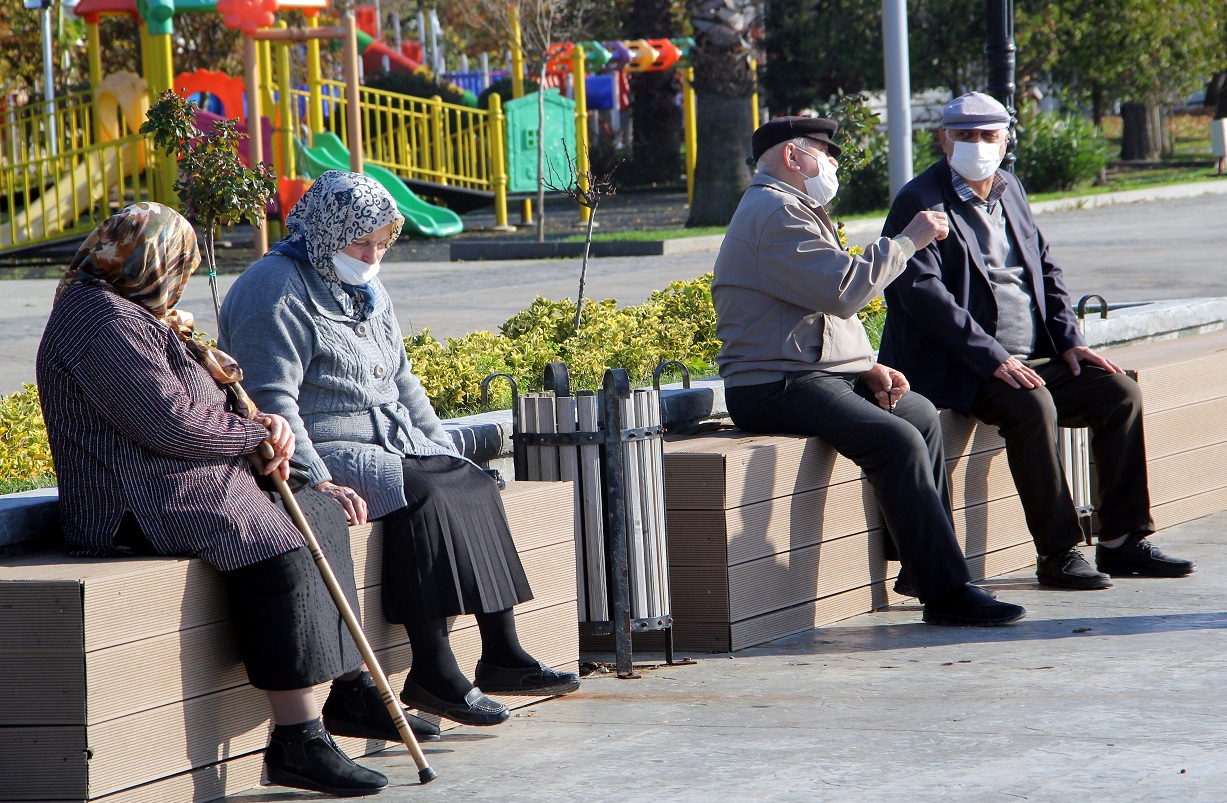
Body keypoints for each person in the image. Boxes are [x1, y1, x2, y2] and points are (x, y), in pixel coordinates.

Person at [35, 202, 414, 797]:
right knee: (277, 545)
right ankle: (297, 738)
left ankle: (349, 689)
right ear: (151, 259)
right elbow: (167, 423)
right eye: (180, 264)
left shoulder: (138, 310)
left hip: (184, 479)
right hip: (133, 502)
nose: (181, 278)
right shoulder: (98, 319)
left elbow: (202, 407)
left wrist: (262, 429)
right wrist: (253, 436)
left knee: (320, 509)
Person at [219, 171, 580, 728]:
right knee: (423, 492)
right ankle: (433, 669)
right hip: (328, 444)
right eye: (360, 244)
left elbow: (402, 380)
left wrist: (446, 448)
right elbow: (272, 402)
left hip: (391, 435)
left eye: (382, 245)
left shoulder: (365, 285)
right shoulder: (273, 289)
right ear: (327, 231)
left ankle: (502, 653)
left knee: (469, 480)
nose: (371, 257)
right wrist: (315, 479)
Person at [712, 116, 1027, 626]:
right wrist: (907, 240)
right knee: (895, 441)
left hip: (806, 374)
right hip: (774, 385)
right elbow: (845, 292)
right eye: (825, 154)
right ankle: (947, 593)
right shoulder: (775, 213)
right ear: (792, 156)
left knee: (919, 414)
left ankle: (923, 569)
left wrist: (865, 366)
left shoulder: (789, 206)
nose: (832, 165)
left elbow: (815, 309)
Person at [880, 92, 1195, 590]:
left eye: (988, 135)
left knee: (1119, 393)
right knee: (1032, 404)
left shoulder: (1011, 189)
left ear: (1006, 140)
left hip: (1028, 359)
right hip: (960, 367)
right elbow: (922, 294)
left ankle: (1122, 541)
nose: (977, 144)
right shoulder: (918, 201)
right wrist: (993, 358)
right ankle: (1058, 552)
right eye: (964, 135)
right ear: (943, 139)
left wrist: (1069, 340)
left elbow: (1045, 267)